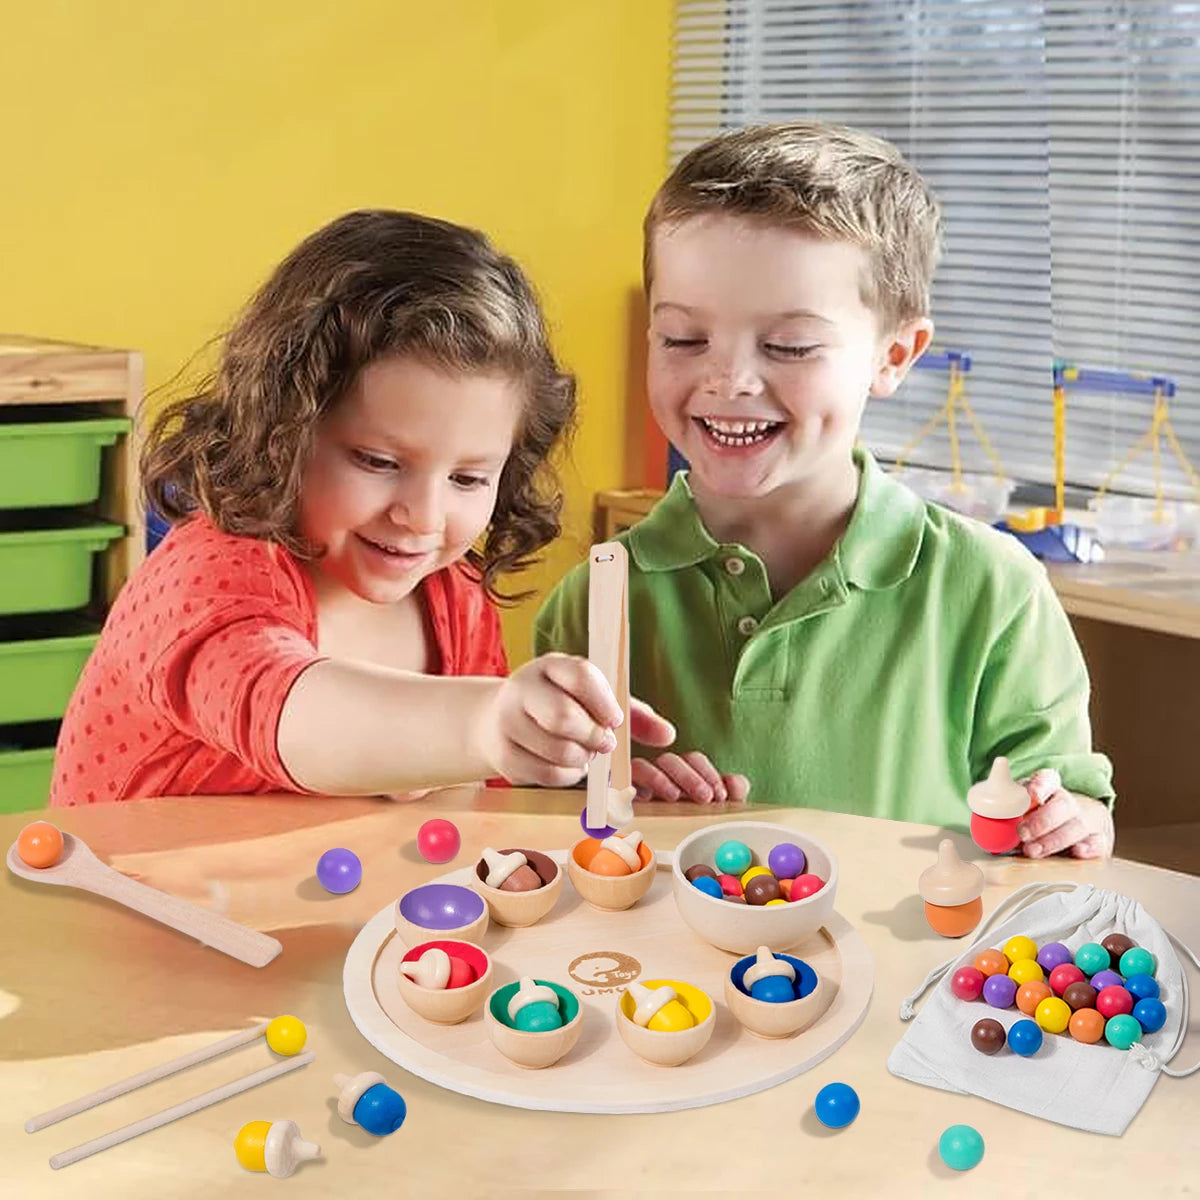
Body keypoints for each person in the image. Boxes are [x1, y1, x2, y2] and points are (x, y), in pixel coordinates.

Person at [534, 122, 1115, 858]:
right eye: (683, 338)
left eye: (789, 347)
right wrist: (616, 809)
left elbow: (1063, 813)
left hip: (918, 968)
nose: (729, 380)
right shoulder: (595, 600)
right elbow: (554, 834)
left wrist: (1071, 820)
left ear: (894, 355)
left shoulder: (993, 592)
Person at [51, 209, 670, 806]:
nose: (424, 517)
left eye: (469, 477)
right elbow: (285, 710)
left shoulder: (453, 597)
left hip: (324, 911)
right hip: (124, 907)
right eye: (377, 462)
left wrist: (577, 772)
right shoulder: (208, 575)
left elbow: (476, 806)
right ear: (281, 431)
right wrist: (484, 722)